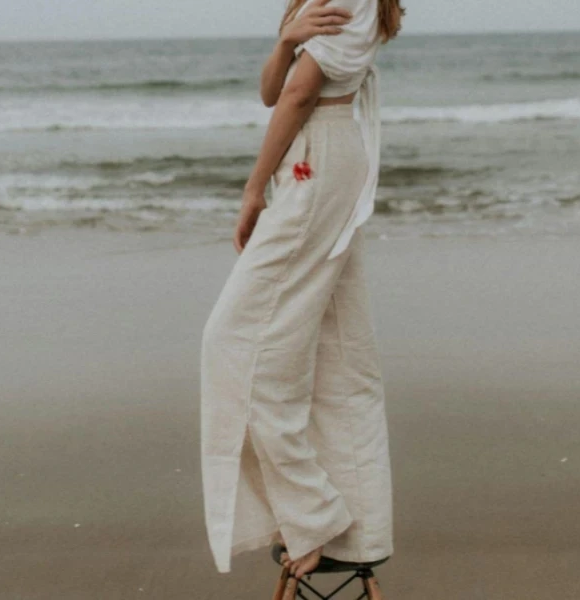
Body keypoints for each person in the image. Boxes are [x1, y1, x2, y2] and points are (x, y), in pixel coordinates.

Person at [200, 0, 406, 586]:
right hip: (326, 158)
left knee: (238, 345)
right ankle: (358, 522)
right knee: (342, 351)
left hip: (316, 163)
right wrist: (285, 41)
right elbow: (273, 89)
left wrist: (252, 190)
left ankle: (313, 514)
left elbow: (297, 98)